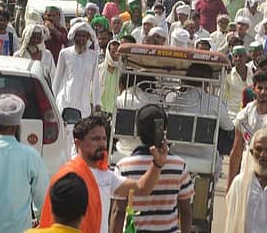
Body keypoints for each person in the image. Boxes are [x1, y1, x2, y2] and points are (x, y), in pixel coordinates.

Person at [38, 113, 168, 233]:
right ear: (78, 143)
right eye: (95, 139)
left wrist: (157, 164)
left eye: (104, 138)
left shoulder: (106, 175)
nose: (102, 143)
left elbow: (142, 188)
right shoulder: (68, 177)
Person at [111, 104, 195, 233]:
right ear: (164, 130)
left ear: (138, 131)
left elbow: (119, 211)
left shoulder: (124, 167)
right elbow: (185, 211)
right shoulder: (179, 166)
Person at [228, 72, 267, 188]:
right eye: (260, 88)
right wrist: (230, 186)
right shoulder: (243, 117)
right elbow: (236, 152)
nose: (263, 92)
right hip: (248, 170)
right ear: (254, 89)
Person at [53, 22, 100, 118]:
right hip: (65, 102)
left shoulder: (93, 56)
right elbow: (57, 79)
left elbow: (95, 81)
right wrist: (52, 100)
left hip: (83, 105)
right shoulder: (65, 53)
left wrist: (97, 103)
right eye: (79, 35)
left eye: (84, 36)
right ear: (74, 36)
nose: (81, 39)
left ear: (88, 38)